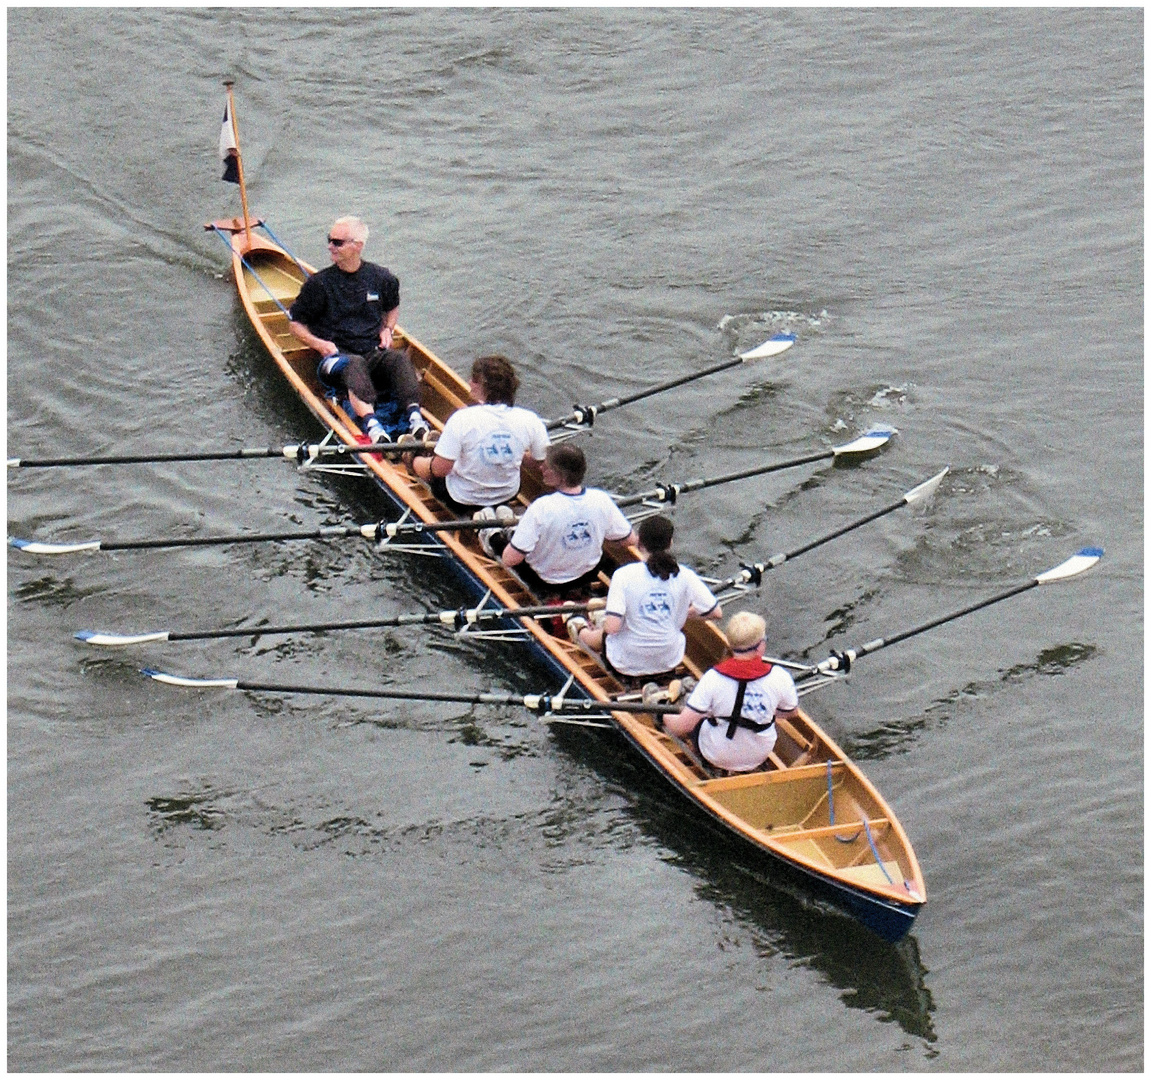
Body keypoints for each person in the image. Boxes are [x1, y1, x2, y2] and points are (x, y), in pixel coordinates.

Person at [287, 216, 428, 443]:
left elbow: (392, 307)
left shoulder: (382, 278)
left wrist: (388, 329)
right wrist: (319, 344)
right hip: (334, 360)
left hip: (371, 353)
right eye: (329, 240)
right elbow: (294, 325)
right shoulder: (319, 284)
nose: (330, 246)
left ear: (358, 246)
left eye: (337, 242)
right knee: (354, 363)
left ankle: (416, 421)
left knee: (398, 359)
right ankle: (372, 427)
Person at [568, 514, 720, 684]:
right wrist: (679, 613)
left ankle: (580, 630)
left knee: (605, 630)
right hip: (669, 660)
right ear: (670, 544)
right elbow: (715, 612)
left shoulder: (624, 575)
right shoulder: (685, 575)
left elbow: (611, 629)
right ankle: (601, 615)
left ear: (639, 541)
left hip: (625, 662)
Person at [487, 443, 637, 600]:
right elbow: (630, 539)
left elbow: (509, 560)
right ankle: (518, 534)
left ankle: (491, 530)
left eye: (547, 467)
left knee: (499, 544)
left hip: (544, 581)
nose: (541, 469)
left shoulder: (542, 507)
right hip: (587, 575)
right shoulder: (601, 499)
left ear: (561, 476)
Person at [408, 354, 549, 515]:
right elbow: (540, 462)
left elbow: (440, 470)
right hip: (506, 496)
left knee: (419, 461)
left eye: (474, 379)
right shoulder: (530, 420)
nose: (469, 382)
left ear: (483, 387)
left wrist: (416, 463)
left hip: (460, 500)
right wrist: (512, 451)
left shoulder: (462, 418)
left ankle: (418, 456)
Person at [663, 611, 800, 774]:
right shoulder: (780, 676)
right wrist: (758, 710)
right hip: (759, 755)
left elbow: (681, 727)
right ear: (760, 646)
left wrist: (662, 715)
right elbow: (791, 713)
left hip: (715, 754)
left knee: (691, 712)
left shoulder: (713, 678)